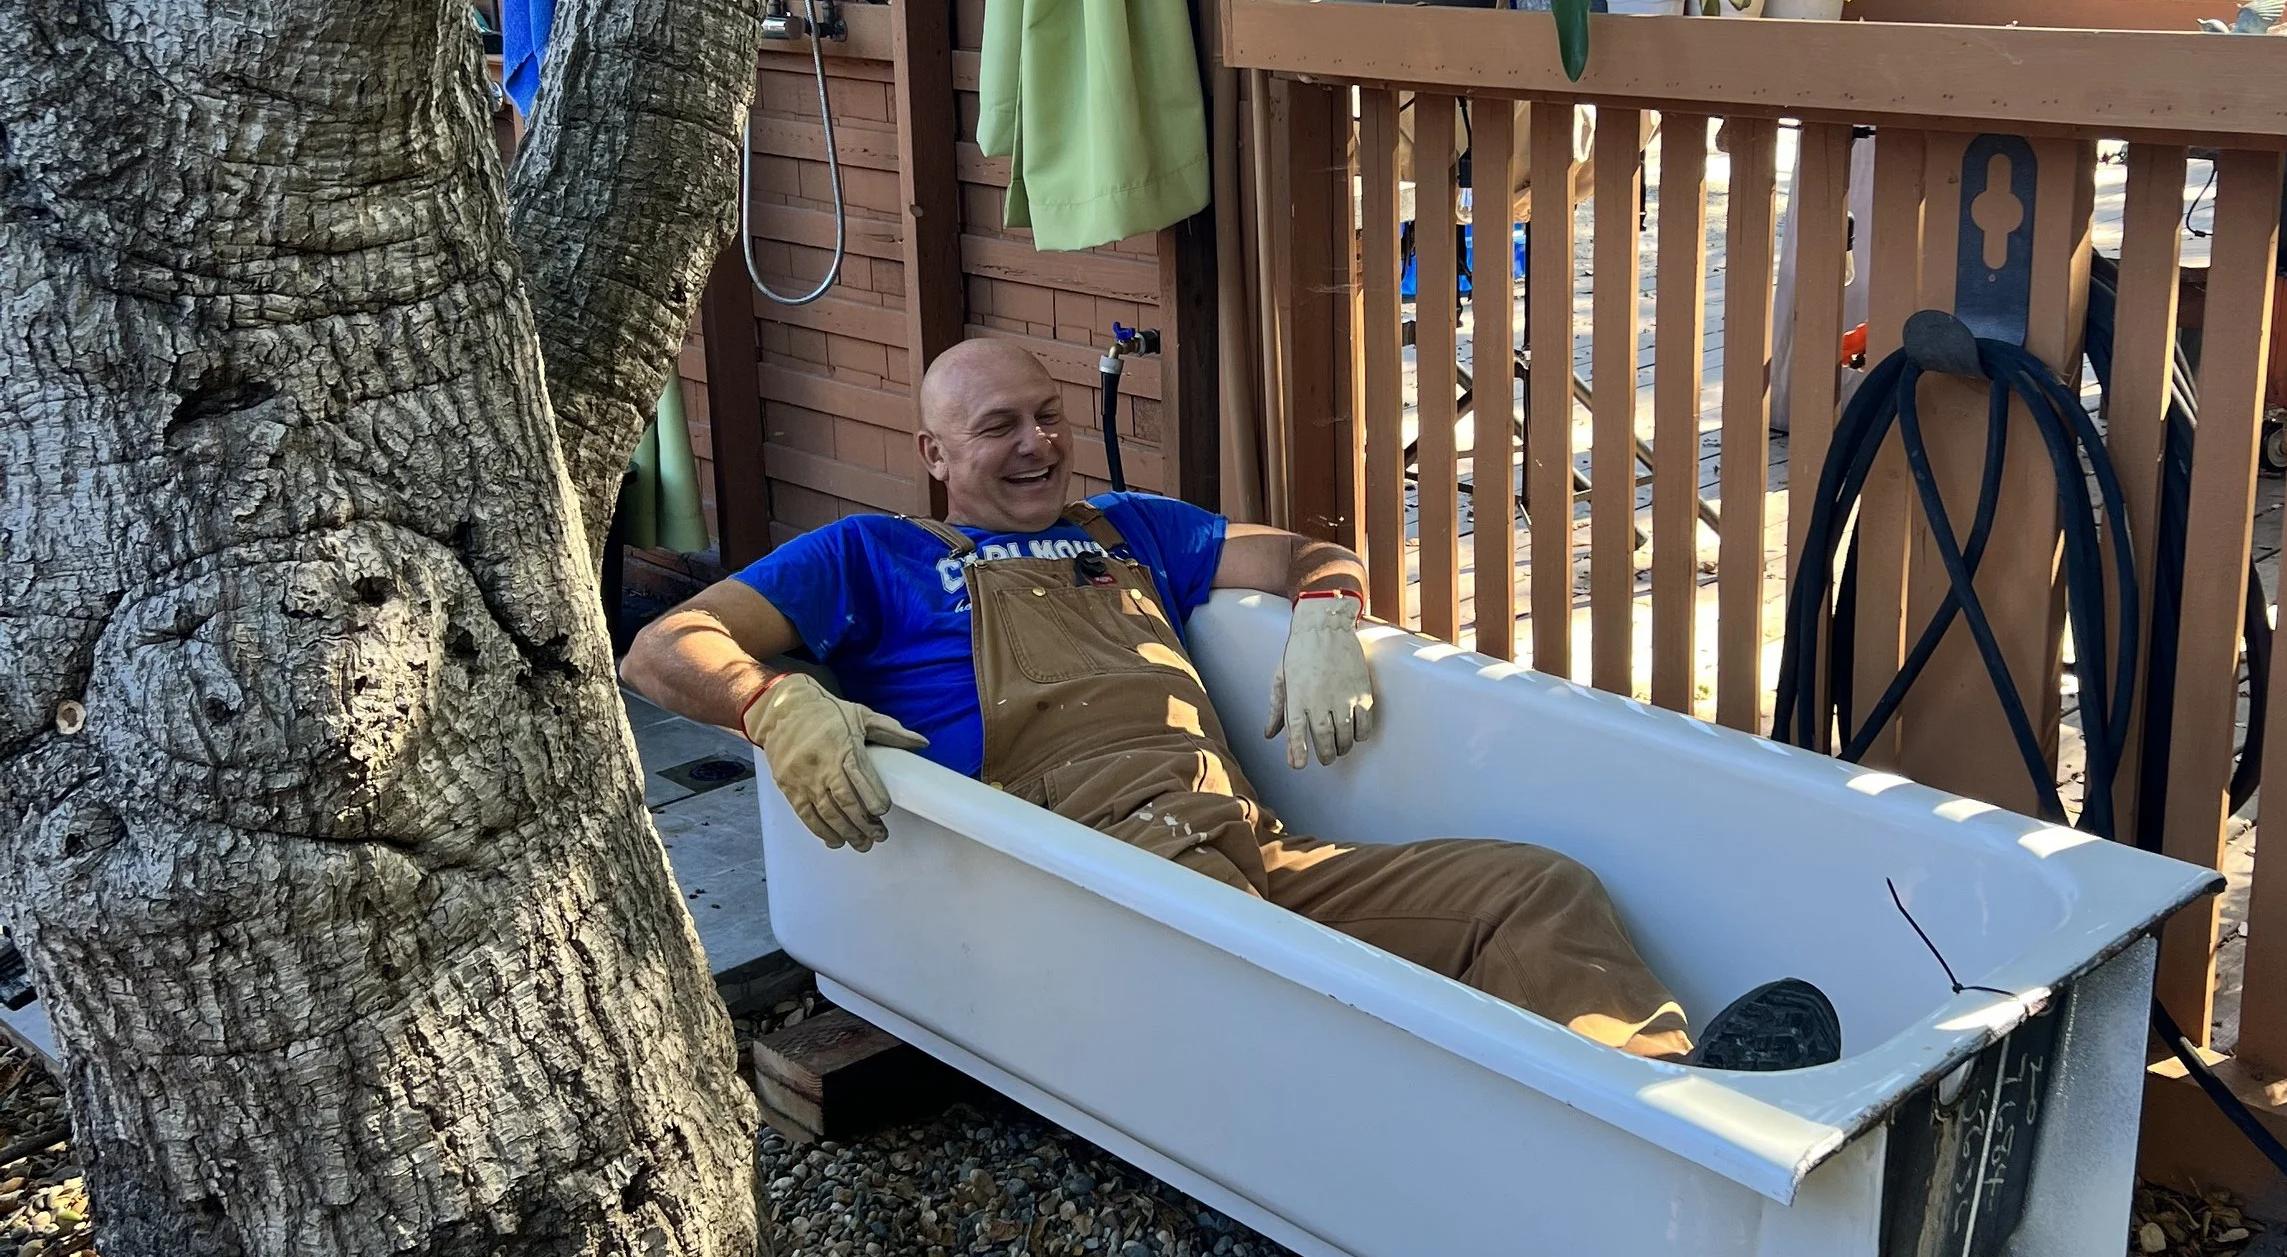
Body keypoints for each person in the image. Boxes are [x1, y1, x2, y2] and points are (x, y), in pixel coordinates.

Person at [622, 337, 1837, 1071]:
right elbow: (665, 645)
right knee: (1299, 979)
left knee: (1536, 888)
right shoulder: (869, 556)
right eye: (998, 428)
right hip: (1091, 874)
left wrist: (1326, 617)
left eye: (1049, 414)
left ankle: (1667, 1102)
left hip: (1248, 848)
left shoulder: (1130, 529)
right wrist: (776, 703)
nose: (1039, 443)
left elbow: (1307, 551)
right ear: (936, 457)